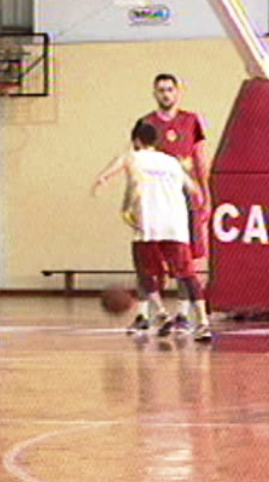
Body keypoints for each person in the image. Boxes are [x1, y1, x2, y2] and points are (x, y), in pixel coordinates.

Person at [95, 121, 212, 342]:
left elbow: (116, 170)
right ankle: (203, 323)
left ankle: (161, 313)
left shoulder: (133, 157)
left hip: (148, 224)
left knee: (146, 274)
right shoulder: (172, 161)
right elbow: (193, 189)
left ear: (136, 140)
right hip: (176, 226)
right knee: (188, 276)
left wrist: (104, 180)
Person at [137, 73, 211, 333]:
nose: (166, 94)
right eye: (161, 90)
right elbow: (137, 162)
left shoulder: (191, 121)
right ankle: (149, 312)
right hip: (157, 199)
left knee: (186, 255)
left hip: (184, 197)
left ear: (178, 92)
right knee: (150, 255)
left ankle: (183, 312)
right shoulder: (147, 123)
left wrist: (206, 193)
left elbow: (200, 158)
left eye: (170, 89)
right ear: (154, 93)